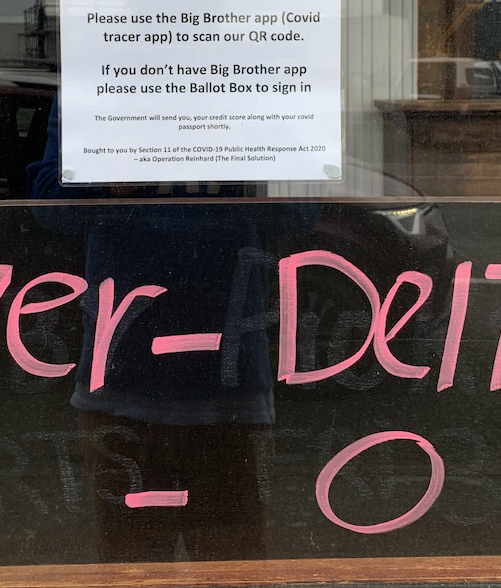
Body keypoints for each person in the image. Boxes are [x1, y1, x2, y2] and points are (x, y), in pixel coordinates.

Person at [27, 94, 317, 561]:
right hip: (129, 383)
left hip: (221, 384)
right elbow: (48, 207)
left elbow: (302, 210)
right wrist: (109, 179)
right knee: (137, 567)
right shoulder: (97, 81)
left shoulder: (252, 84)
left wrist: (247, 147)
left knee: (226, 566)